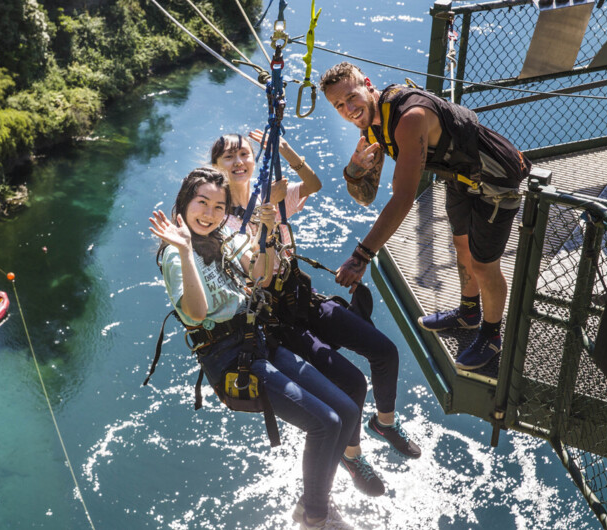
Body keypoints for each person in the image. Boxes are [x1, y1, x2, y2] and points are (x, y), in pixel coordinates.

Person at [210, 133, 421, 498]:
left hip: (303, 299)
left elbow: (314, 184)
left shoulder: (269, 195)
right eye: (229, 157)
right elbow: (259, 273)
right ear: (217, 167)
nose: (239, 161)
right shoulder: (223, 221)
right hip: (280, 320)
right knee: (353, 384)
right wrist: (269, 219)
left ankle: (384, 422)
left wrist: (285, 151)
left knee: (385, 351)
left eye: (244, 153)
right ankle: (352, 456)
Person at [150, 167, 356, 529]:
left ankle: (312, 501)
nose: (209, 214)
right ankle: (317, 516)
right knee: (326, 424)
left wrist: (268, 231)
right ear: (184, 203)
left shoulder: (226, 236)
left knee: (346, 409)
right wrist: (184, 251)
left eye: (218, 206)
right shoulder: (174, 255)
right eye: (202, 203)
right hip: (231, 358)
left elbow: (261, 276)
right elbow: (196, 316)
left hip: (256, 340)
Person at [319, 62, 531, 371]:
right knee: (462, 247)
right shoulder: (372, 125)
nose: (348, 108)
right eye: (339, 105)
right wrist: (353, 172)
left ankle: (491, 335)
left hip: (495, 178)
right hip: (460, 176)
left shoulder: (409, 118)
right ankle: (469, 312)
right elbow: (366, 197)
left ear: (367, 84)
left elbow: (403, 198)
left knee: (484, 266)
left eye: (351, 97)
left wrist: (362, 256)